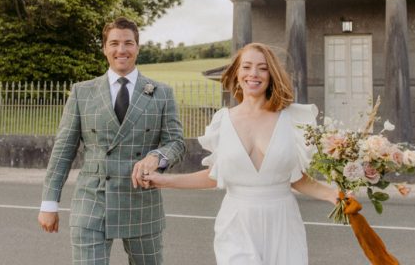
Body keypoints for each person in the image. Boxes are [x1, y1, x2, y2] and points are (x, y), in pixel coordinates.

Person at [144, 42, 339, 265]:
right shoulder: (222, 121)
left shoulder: (292, 118)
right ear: (237, 73)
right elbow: (215, 176)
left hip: (283, 222)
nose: (253, 74)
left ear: (271, 74)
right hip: (237, 222)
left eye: (262, 68)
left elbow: (297, 178)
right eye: (246, 67)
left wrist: (333, 195)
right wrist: (163, 180)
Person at [38, 17, 186, 265]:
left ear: (137, 47)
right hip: (93, 200)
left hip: (142, 202)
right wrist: (49, 202)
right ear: (104, 48)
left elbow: (177, 143)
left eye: (128, 43)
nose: (121, 50)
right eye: (114, 43)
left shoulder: (162, 93)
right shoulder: (82, 92)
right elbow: (63, 151)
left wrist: (157, 157)